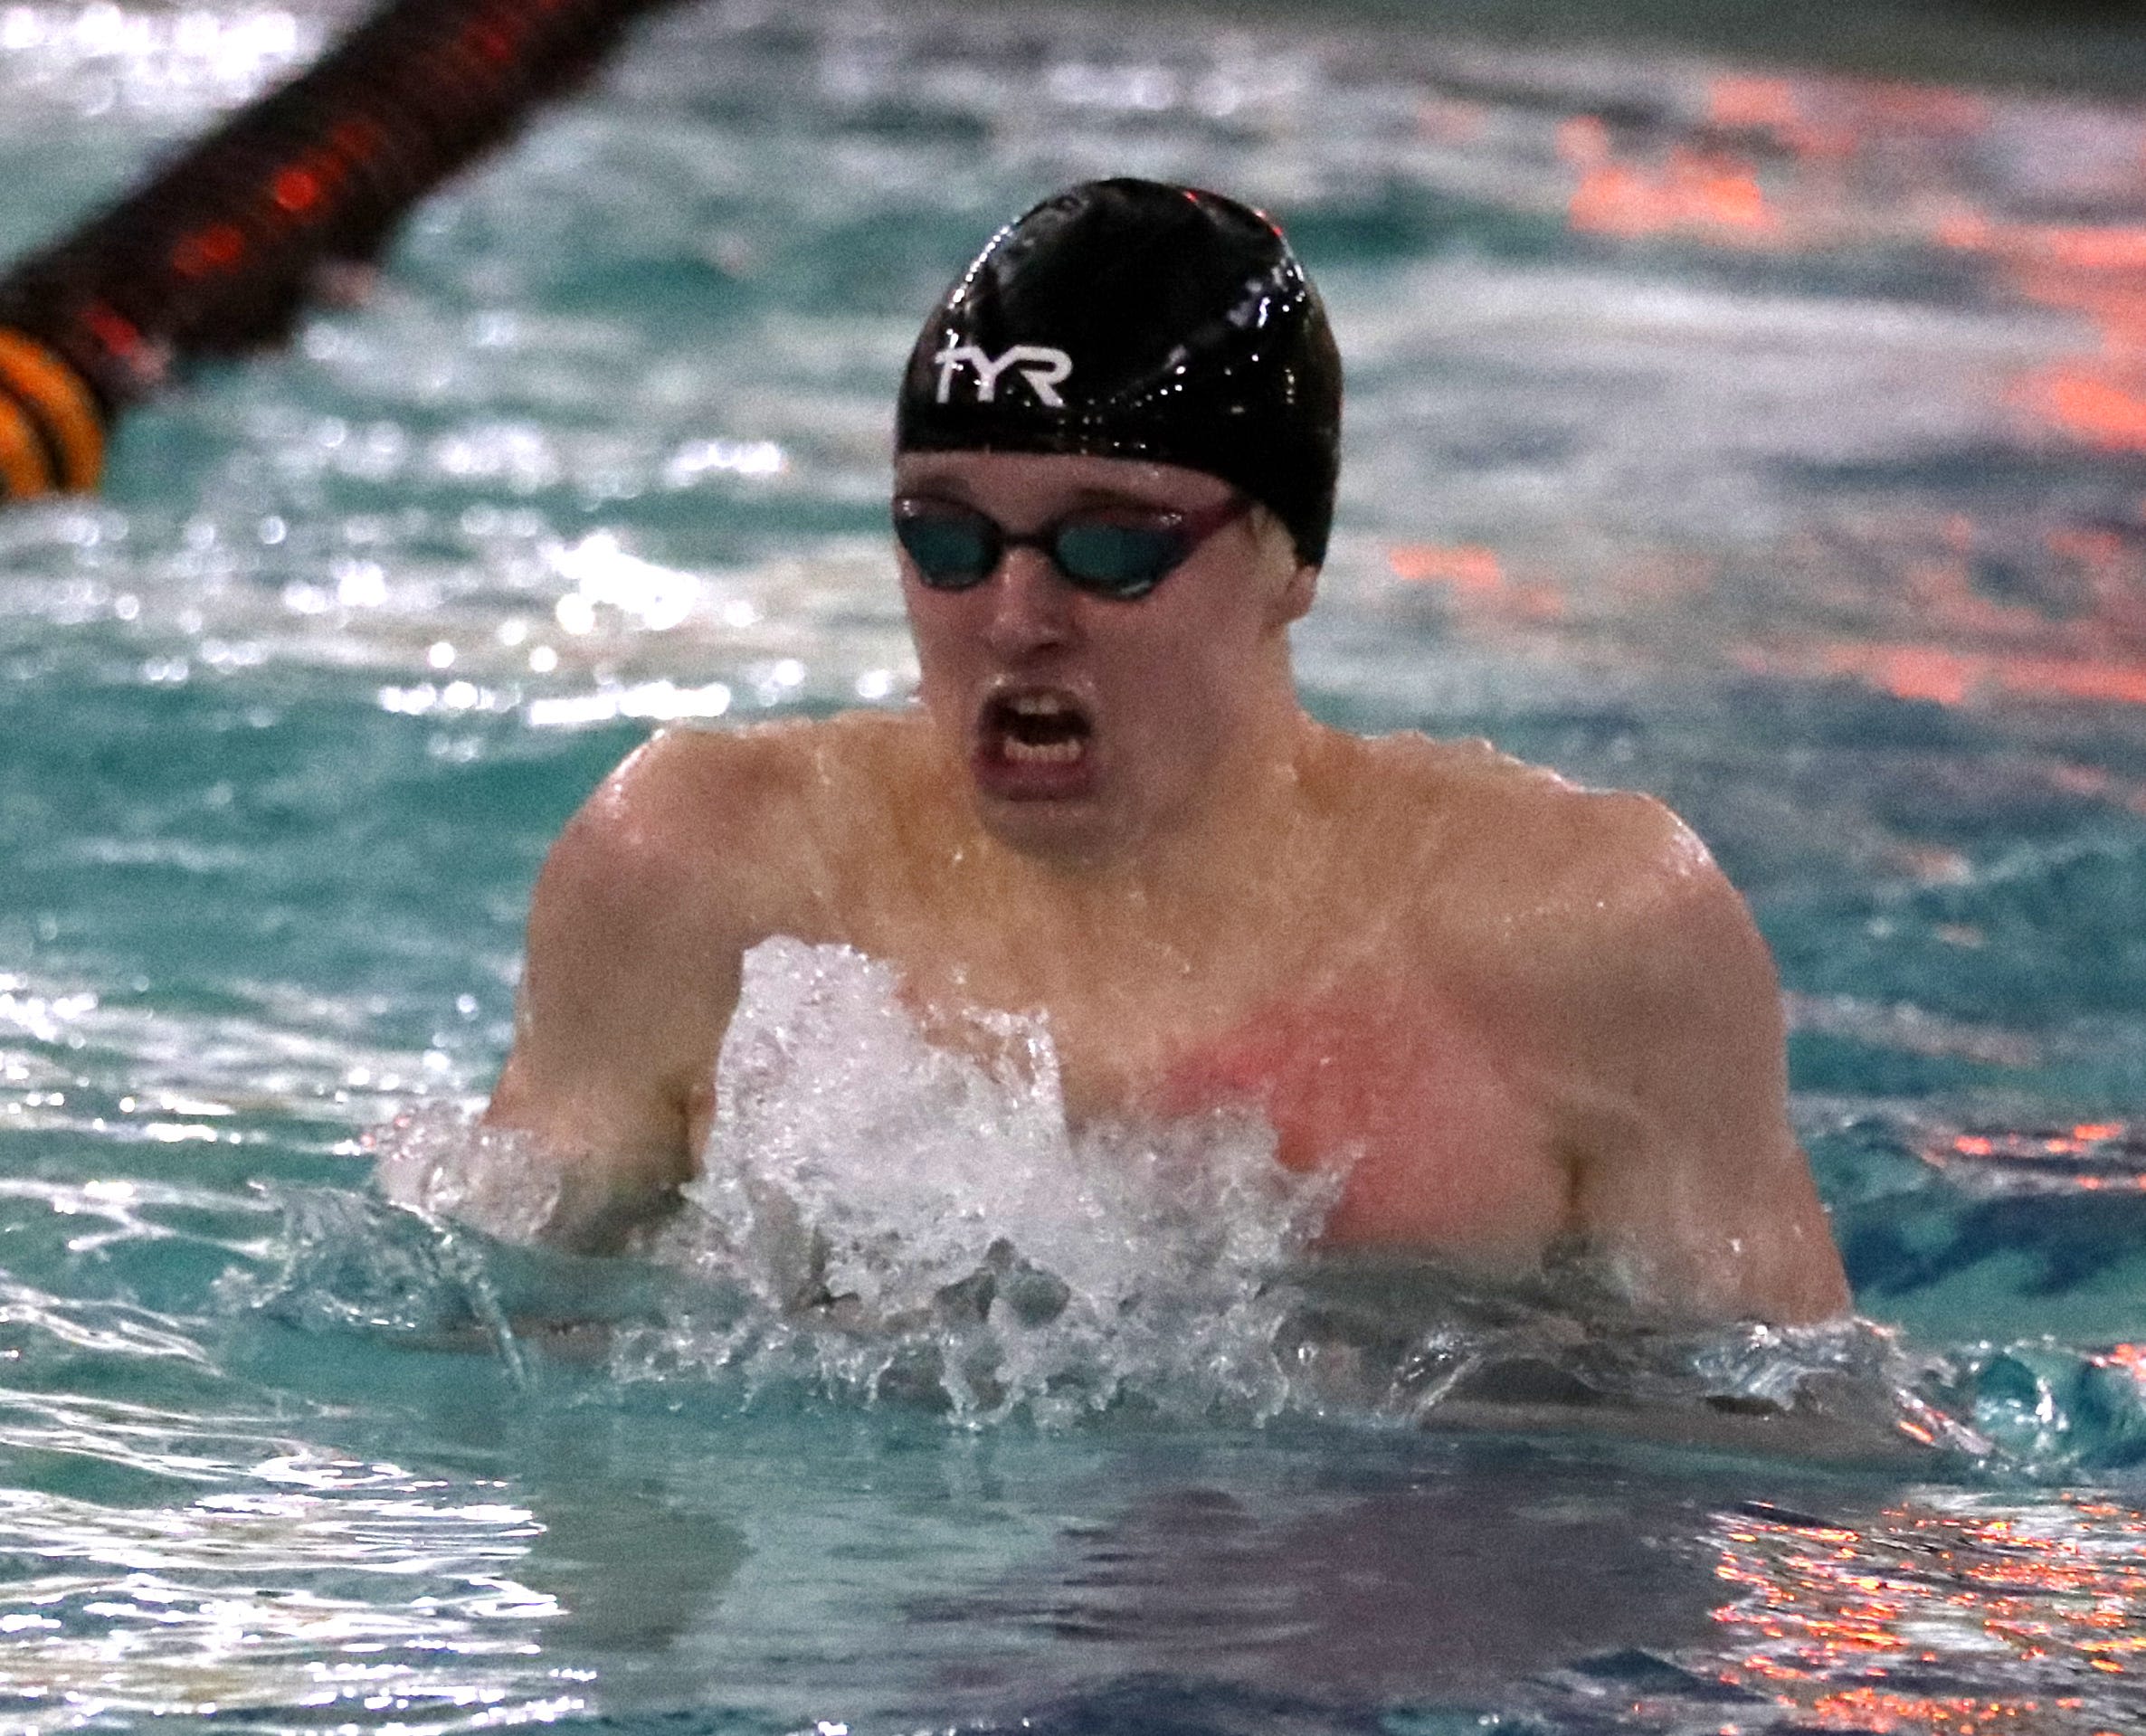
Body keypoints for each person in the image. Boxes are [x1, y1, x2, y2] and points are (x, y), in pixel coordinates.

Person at [479, 177, 1851, 1323]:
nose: (1017, 617)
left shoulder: (1582, 929)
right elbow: (476, 1338)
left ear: (1288, 561)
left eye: (1111, 545)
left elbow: (1785, 1450)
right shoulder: (701, 869)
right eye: (945, 537)